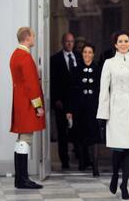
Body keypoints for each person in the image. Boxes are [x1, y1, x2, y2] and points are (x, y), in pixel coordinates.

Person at [97, 31, 129, 200]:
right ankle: (114, 175)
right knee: (118, 148)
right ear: (115, 44)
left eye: (126, 41)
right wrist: (102, 114)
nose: (124, 43)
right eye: (120, 41)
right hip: (116, 109)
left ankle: (125, 184)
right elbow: (104, 90)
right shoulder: (109, 63)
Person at [10, 27, 46, 189]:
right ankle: (23, 179)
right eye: (33, 36)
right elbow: (32, 85)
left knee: (21, 139)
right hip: (27, 103)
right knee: (26, 139)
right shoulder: (25, 57)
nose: (34, 38)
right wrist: (38, 107)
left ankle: (20, 178)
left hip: (20, 101)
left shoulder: (15, 55)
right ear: (27, 38)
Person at [66, 43, 102, 176]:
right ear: (82, 54)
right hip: (79, 107)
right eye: (85, 52)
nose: (87, 55)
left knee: (94, 137)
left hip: (94, 108)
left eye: (90, 52)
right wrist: (69, 110)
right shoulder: (75, 70)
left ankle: (95, 166)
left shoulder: (98, 70)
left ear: (93, 54)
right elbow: (70, 91)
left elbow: (103, 91)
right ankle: (82, 162)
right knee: (80, 135)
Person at [50, 32, 81, 170]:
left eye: (72, 41)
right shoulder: (55, 59)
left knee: (77, 131)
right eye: (67, 41)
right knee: (63, 133)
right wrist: (56, 99)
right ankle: (65, 161)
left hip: (77, 102)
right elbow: (52, 81)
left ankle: (81, 158)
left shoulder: (79, 57)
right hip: (61, 101)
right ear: (62, 42)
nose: (69, 44)